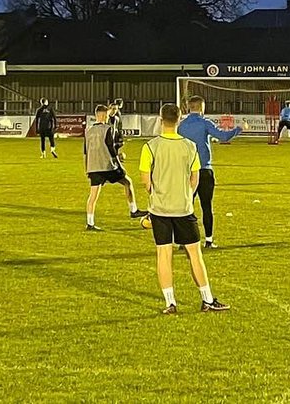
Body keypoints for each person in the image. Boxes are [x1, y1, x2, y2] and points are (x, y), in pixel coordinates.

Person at [140, 104, 229, 314]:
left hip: (160, 209)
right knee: (194, 254)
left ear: (161, 120)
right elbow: (195, 178)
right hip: (183, 209)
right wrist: (186, 195)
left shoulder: (150, 146)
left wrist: (156, 194)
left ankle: (170, 303)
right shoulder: (190, 146)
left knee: (164, 254)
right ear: (179, 120)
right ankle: (207, 299)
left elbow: (145, 180)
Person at [177, 96, 242, 249]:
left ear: (189, 107)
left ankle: (183, 241)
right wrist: (239, 129)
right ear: (202, 107)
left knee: (186, 206)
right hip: (204, 170)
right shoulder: (205, 123)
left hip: (187, 172)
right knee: (206, 206)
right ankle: (209, 240)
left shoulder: (181, 126)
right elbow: (224, 136)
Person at [84, 105, 144, 229]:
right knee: (128, 182)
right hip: (107, 166)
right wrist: (119, 164)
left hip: (93, 167)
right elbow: (111, 149)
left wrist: (87, 169)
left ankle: (90, 223)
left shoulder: (88, 131)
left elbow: (86, 152)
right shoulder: (107, 129)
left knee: (93, 196)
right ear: (104, 115)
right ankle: (133, 210)